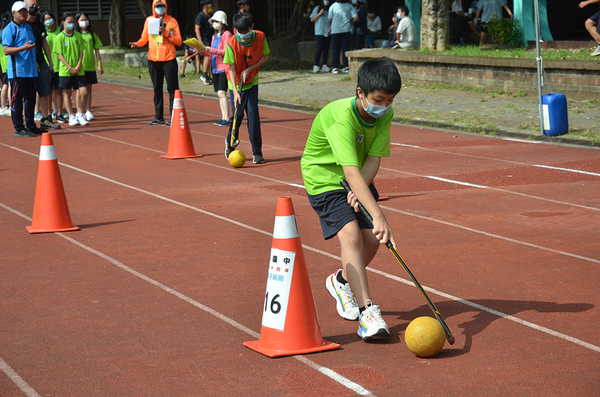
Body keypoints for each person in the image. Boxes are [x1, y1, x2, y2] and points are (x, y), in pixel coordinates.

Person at [300, 58, 402, 340]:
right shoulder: (340, 115)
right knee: (351, 235)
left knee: (372, 239)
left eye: (390, 101)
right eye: (378, 100)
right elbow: (349, 170)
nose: (383, 107)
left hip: (357, 176)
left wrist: (360, 191)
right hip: (324, 178)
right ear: (360, 93)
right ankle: (367, 312)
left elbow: (372, 160)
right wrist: (379, 214)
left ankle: (340, 281)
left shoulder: (385, 115)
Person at [223, 12, 270, 164]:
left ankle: (257, 152)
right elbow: (230, 68)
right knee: (237, 116)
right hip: (235, 83)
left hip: (252, 81)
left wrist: (250, 69)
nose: (244, 36)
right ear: (235, 29)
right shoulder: (231, 43)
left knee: (253, 115)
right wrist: (236, 92)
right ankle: (230, 144)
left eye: (246, 32)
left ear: (252, 27)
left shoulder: (261, 37)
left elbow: (265, 56)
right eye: (240, 32)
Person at [131, 0, 182, 126]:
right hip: (153, 59)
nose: (160, 9)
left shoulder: (172, 21)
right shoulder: (149, 20)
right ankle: (158, 116)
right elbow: (145, 37)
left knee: (172, 89)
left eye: (162, 6)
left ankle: (173, 116)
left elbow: (179, 41)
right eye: (157, 6)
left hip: (169, 58)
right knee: (157, 89)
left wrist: (166, 33)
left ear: (166, 7)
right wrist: (137, 44)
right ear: (153, 7)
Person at [2, 1, 41, 137]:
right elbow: (6, 50)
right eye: (20, 11)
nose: (23, 13)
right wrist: (23, 48)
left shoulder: (29, 28)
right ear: (13, 13)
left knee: (31, 99)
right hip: (17, 72)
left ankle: (30, 125)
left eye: (24, 10)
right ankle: (18, 128)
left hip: (31, 71)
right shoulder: (9, 29)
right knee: (17, 100)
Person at [26, 0, 59, 131]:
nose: (34, 8)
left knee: (45, 91)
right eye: (31, 6)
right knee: (29, 93)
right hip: (28, 65)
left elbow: (44, 43)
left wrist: (50, 62)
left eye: (35, 5)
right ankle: (29, 121)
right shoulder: (23, 25)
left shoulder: (39, 25)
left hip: (41, 63)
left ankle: (46, 118)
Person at [55, 12, 88, 126]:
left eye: (73, 22)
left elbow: (81, 52)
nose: (71, 24)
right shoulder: (60, 37)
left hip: (79, 69)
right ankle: (71, 116)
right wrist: (70, 68)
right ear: (63, 23)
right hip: (65, 70)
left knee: (84, 92)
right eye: (69, 22)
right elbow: (60, 55)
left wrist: (78, 66)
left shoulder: (78, 35)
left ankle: (80, 114)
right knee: (67, 93)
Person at [201, 10, 232, 126]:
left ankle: (227, 118)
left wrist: (211, 50)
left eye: (216, 21)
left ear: (222, 23)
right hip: (215, 68)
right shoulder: (214, 36)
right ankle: (223, 116)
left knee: (221, 93)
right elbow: (211, 53)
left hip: (223, 67)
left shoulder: (227, 34)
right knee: (219, 94)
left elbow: (226, 52)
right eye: (213, 21)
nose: (214, 23)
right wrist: (203, 51)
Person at [75, 11, 102, 122]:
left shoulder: (92, 34)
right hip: (79, 66)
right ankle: (78, 111)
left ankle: (88, 110)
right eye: (81, 20)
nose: (84, 22)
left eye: (86, 19)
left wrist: (100, 65)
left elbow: (97, 51)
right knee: (79, 90)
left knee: (89, 89)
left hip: (90, 65)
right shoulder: (76, 35)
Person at [41, 9, 64, 122]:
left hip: (60, 65)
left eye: (50, 18)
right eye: (45, 19)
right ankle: (49, 113)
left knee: (59, 90)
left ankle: (59, 113)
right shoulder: (42, 32)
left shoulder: (60, 31)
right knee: (48, 91)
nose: (48, 21)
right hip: (47, 66)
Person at [328, 0, 358, 74]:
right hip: (346, 30)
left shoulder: (333, 6)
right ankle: (346, 66)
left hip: (335, 30)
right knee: (346, 48)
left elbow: (329, 18)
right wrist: (351, 23)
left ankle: (335, 67)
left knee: (336, 49)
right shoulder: (349, 6)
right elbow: (356, 17)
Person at [309, 0, 331, 73]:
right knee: (319, 47)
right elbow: (312, 19)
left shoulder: (330, 9)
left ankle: (324, 64)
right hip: (319, 32)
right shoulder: (317, 8)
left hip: (327, 32)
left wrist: (329, 30)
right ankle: (316, 65)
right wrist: (319, 14)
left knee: (326, 49)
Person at [195, 0, 214, 85]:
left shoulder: (211, 16)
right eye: (210, 5)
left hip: (210, 38)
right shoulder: (200, 16)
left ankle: (209, 76)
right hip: (204, 39)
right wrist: (200, 42)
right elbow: (197, 29)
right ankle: (204, 75)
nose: (211, 7)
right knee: (207, 56)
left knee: (211, 56)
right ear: (206, 6)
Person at [0, 11, 11, 116]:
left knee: (5, 84)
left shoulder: (1, 32)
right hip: (7, 61)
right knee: (7, 84)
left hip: (4, 62)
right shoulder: (7, 32)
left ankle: (4, 106)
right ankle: (5, 106)